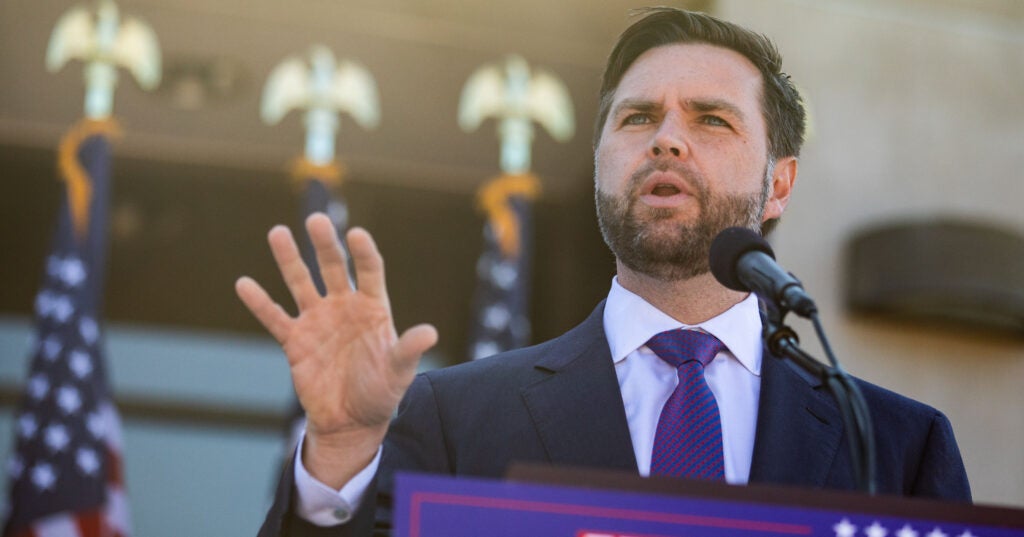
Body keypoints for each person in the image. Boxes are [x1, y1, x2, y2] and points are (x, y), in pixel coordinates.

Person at [236, 8, 971, 537]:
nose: (667, 141)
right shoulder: (456, 416)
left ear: (779, 184)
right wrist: (338, 456)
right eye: (637, 118)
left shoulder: (897, 443)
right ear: (600, 165)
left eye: (711, 119)